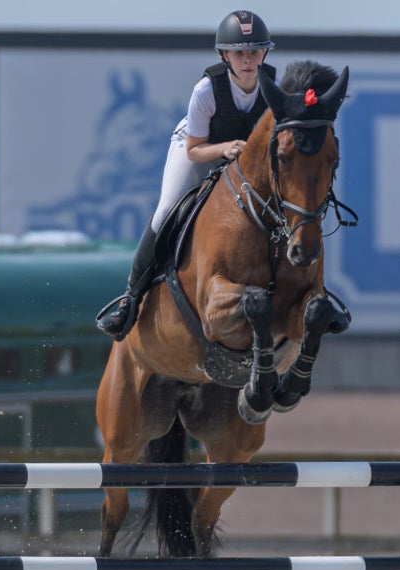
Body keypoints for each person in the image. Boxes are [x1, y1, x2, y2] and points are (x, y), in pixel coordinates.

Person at [96, 10, 276, 341]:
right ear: (224, 56)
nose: (248, 60)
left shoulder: (272, 89)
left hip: (241, 159)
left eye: (254, 51)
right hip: (198, 148)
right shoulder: (206, 89)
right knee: (166, 209)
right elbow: (194, 149)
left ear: (264, 53)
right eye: (239, 53)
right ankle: (130, 299)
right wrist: (224, 149)